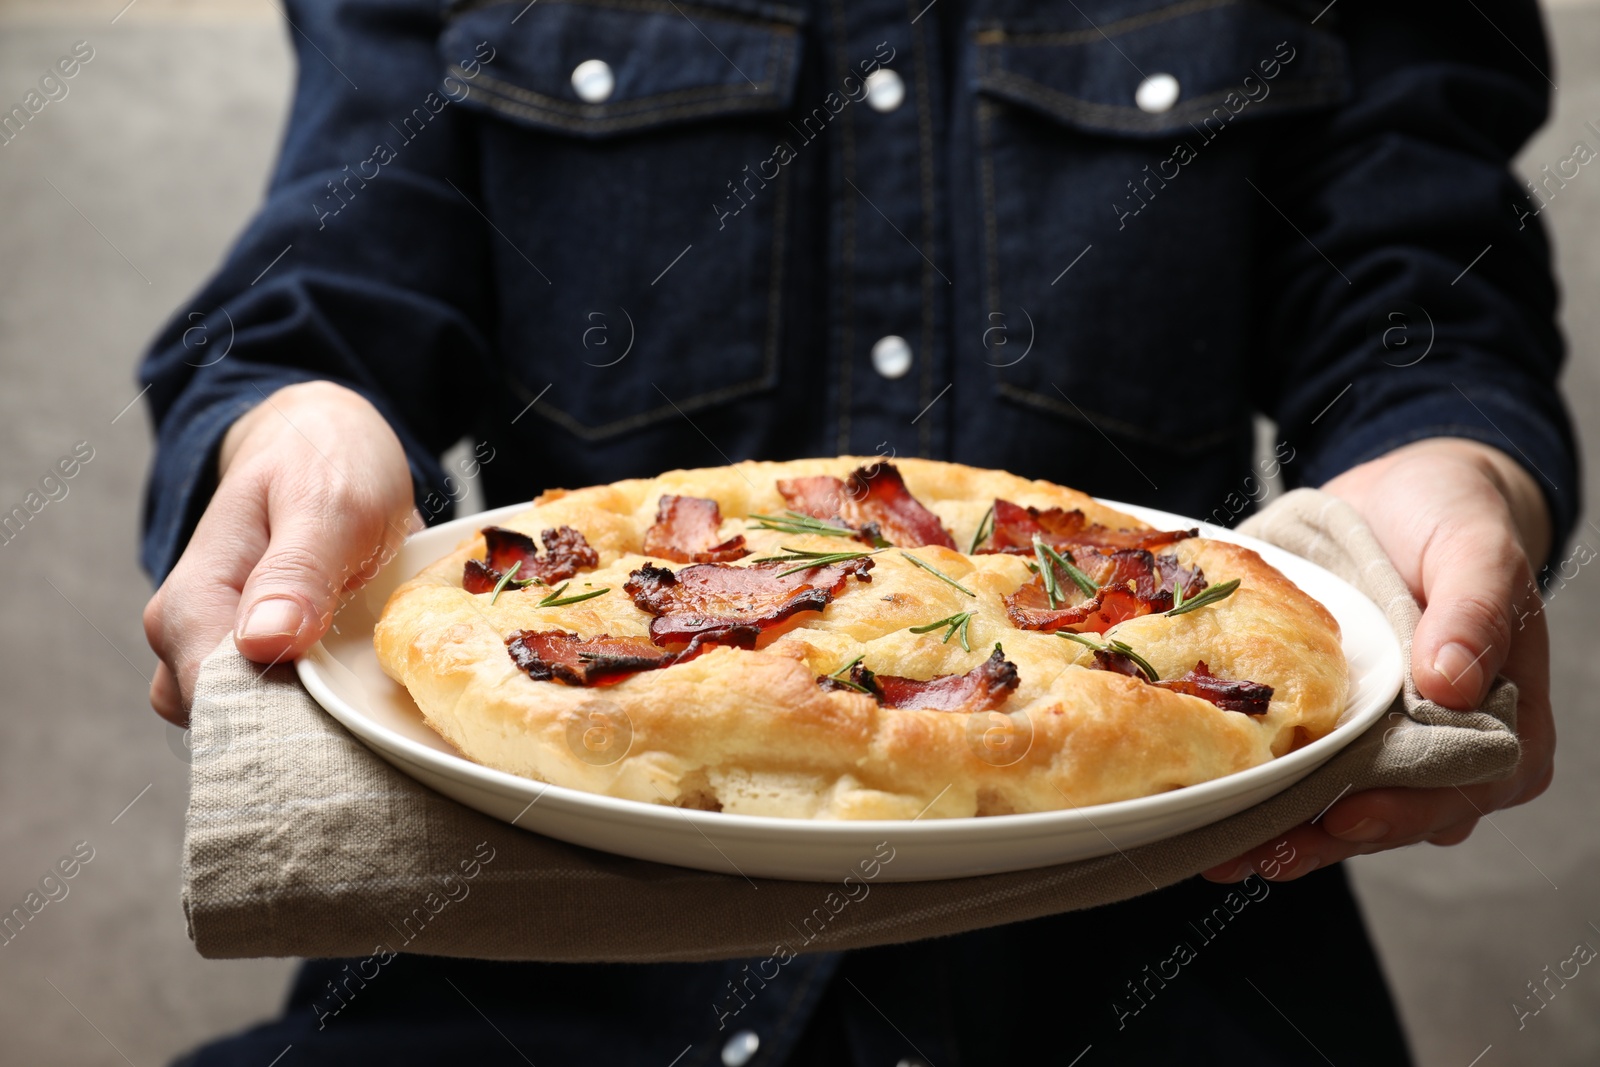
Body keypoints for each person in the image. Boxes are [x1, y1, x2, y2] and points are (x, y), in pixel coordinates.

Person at [140, 0, 1573, 1062]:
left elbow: (1419, 295)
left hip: (1160, 955)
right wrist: (285, 421)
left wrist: (1454, 466)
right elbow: (320, 285)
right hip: (518, 972)